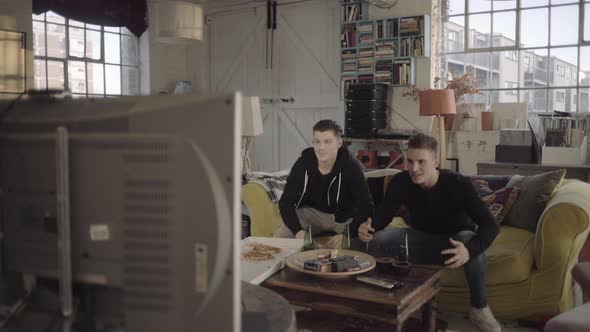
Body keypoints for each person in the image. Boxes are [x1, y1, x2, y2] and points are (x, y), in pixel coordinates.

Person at [355, 132, 502, 332]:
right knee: (376, 240)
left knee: (471, 241)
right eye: (410, 161)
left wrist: (468, 250)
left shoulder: (459, 183)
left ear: (435, 161)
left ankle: (479, 307)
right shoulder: (401, 182)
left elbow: (490, 225)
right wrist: (367, 228)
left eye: (421, 162)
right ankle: (384, 301)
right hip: (420, 239)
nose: (414, 169)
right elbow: (382, 218)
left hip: (454, 244)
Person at [277, 120, 374, 249]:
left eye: (327, 142)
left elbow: (367, 206)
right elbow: (285, 202)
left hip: (343, 219)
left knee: (360, 241)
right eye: (317, 141)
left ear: (339, 143)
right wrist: (298, 232)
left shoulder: (351, 167)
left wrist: (347, 234)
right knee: (283, 233)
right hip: (312, 216)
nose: (321, 147)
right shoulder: (303, 164)